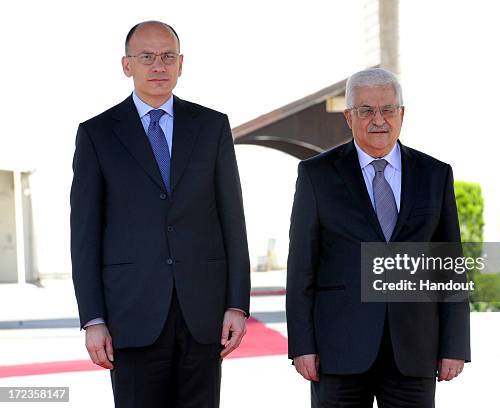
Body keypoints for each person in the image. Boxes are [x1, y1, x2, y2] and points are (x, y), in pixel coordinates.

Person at [70, 21, 250, 408]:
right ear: (126, 65)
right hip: (130, 317)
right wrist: (93, 318)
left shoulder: (212, 127)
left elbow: (233, 220)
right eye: (146, 57)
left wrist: (237, 303)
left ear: (181, 64)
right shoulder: (97, 134)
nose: (158, 66)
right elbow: (84, 235)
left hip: (203, 315)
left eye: (168, 56)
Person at [286, 67, 470, 407]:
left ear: (402, 114)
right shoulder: (316, 175)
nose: (378, 120)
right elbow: (301, 267)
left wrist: (454, 346)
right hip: (339, 350)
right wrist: (302, 344)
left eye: (387, 109)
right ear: (348, 116)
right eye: (366, 110)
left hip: (414, 350)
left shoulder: (435, 174)